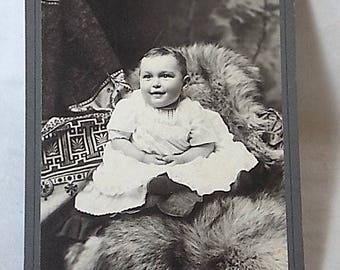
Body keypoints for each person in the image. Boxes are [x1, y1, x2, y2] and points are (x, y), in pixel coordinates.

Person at [58, 47, 258, 242]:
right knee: (126, 183)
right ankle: (156, 198)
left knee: (211, 170)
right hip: (139, 158)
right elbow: (118, 140)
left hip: (181, 159)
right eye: (148, 77)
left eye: (165, 76)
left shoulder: (192, 112)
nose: (155, 84)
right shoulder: (131, 105)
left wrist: (181, 158)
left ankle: (184, 195)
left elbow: (204, 147)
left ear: (184, 82)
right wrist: (142, 156)